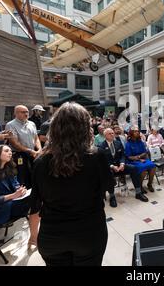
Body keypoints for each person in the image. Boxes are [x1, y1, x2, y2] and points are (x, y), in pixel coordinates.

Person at [29, 102, 111, 266]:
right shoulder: (97, 156)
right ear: (85, 128)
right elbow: (107, 187)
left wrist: (33, 234)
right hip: (89, 233)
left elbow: (35, 204)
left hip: (52, 236)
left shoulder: (40, 161)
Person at [99, 128, 148, 206]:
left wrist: (122, 164)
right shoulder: (101, 146)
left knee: (134, 169)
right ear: (105, 136)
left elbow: (123, 155)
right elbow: (102, 160)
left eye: (112, 133)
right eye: (110, 133)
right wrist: (112, 166)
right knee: (108, 174)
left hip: (120, 166)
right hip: (109, 168)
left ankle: (138, 192)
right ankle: (112, 196)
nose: (112, 134)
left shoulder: (118, 143)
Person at [5, 105, 41, 189]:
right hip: (19, 155)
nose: (26, 114)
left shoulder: (32, 123)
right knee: (22, 178)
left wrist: (39, 149)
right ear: (16, 113)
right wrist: (30, 151)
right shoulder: (10, 125)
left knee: (33, 176)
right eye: (23, 112)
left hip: (33, 154)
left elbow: (36, 138)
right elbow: (14, 143)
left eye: (27, 112)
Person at [125, 126, 156, 193]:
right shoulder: (128, 143)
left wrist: (139, 157)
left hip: (142, 159)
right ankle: (140, 186)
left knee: (153, 165)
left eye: (138, 131)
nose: (137, 132)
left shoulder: (140, 142)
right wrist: (139, 159)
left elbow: (145, 152)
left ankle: (149, 184)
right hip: (132, 161)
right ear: (131, 133)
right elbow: (129, 156)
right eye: (135, 131)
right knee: (143, 169)